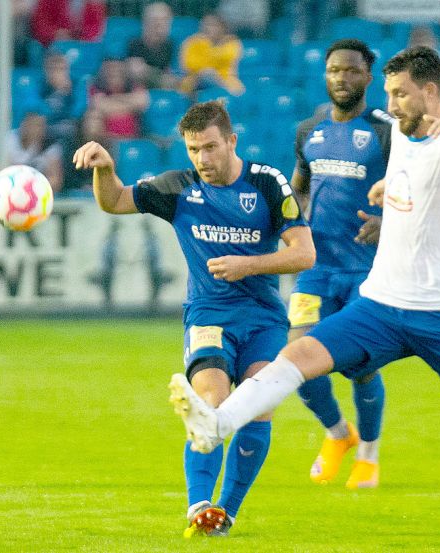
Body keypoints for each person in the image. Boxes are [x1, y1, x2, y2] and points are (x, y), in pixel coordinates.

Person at [168, 46, 440, 544]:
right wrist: (388, 188)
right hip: (380, 305)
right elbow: (412, 177)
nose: (390, 102)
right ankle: (217, 424)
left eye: (400, 93)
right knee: (296, 356)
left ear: (431, 92)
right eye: (388, 92)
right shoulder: (400, 136)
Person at [72, 100, 315, 538]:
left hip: (263, 319)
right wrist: (105, 169)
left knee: (259, 412)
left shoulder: (266, 182)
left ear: (231, 141)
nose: (202, 159)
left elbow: (304, 253)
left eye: (210, 147)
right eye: (192, 149)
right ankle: (199, 504)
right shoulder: (177, 187)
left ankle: (227, 511)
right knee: (210, 403)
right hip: (208, 315)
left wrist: (248, 265)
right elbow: (115, 202)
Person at [289, 39, 392, 489]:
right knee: (295, 361)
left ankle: (369, 454)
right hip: (315, 267)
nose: (342, 79)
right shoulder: (308, 130)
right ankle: (337, 434)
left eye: (352, 71)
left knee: (360, 367)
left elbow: (418, 188)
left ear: (368, 78)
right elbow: (298, 190)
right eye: (334, 70)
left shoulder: (387, 131)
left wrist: (387, 220)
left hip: (366, 271)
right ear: (325, 75)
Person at [178, 13, 244, 96]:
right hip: (194, 82)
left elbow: (226, 59)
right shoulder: (191, 42)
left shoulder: (232, 42)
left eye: (212, 25)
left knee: (209, 74)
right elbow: (188, 65)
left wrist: (205, 55)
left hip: (224, 82)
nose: (208, 28)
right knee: (205, 74)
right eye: (205, 24)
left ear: (222, 27)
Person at [126, 2, 177, 90]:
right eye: (155, 20)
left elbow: (174, 77)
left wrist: (147, 71)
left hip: (163, 89)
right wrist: (161, 77)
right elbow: (135, 71)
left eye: (164, 20)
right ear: (145, 22)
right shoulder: (135, 43)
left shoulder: (170, 44)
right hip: (137, 91)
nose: (159, 24)